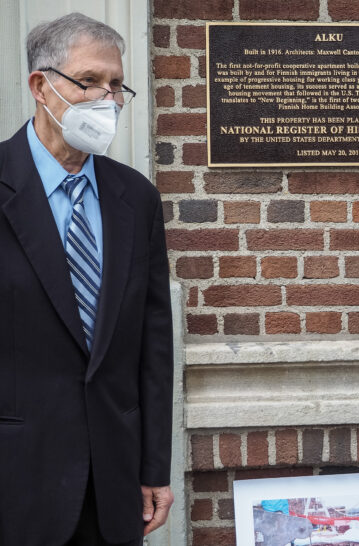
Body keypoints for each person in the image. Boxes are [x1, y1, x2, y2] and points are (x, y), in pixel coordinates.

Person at [0, 13, 174, 545]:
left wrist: (154, 467)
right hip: (17, 484)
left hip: (115, 485)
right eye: (90, 81)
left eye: (117, 85)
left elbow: (153, 343)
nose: (107, 98)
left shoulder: (136, 198)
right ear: (41, 85)